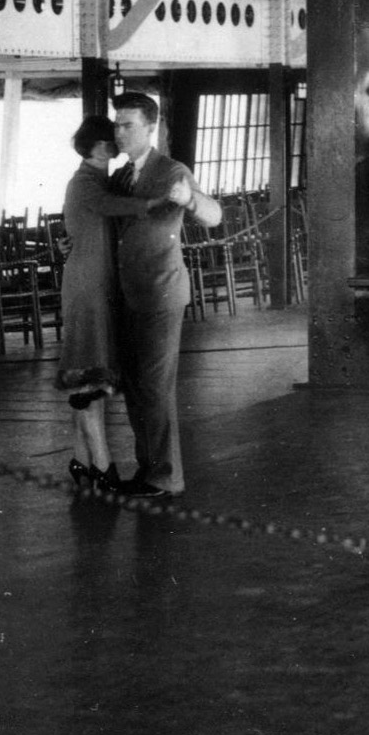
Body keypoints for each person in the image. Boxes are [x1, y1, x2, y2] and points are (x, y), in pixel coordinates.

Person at [98, 91, 219, 497]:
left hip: (161, 293)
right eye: (117, 124)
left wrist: (192, 200)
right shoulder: (119, 177)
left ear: (151, 129)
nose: (119, 132)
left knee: (153, 385)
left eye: (128, 125)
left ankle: (165, 476)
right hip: (128, 293)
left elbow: (214, 216)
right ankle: (149, 470)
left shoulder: (172, 171)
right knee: (135, 385)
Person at [54, 115, 124, 485]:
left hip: (94, 283)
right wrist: (161, 199)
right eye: (112, 137)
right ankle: (103, 464)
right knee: (88, 376)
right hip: (87, 287)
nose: (117, 141)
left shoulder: (96, 179)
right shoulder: (86, 183)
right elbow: (116, 208)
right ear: (98, 146)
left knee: (89, 372)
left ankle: (81, 459)